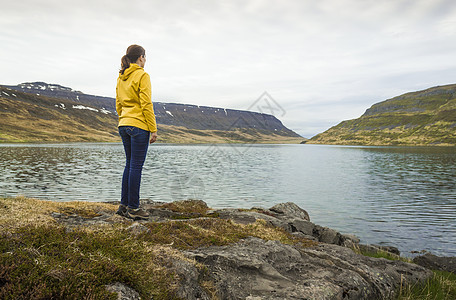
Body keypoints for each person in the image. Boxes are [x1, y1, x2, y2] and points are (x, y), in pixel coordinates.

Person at [115, 44, 157, 220]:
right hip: (139, 125)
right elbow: (146, 104)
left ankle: (124, 206)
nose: (145, 60)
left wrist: (124, 118)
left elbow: (118, 103)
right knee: (135, 166)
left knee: (129, 164)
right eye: (145, 57)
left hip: (124, 124)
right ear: (140, 57)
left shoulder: (121, 76)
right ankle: (133, 208)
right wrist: (153, 129)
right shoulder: (142, 75)